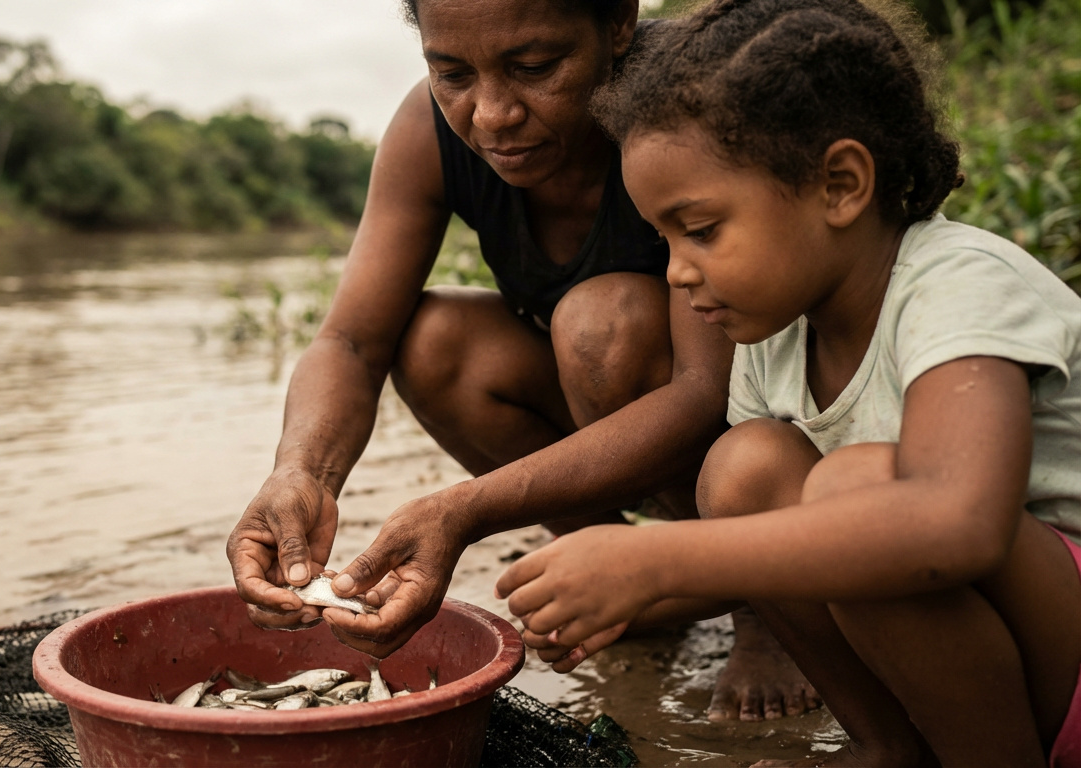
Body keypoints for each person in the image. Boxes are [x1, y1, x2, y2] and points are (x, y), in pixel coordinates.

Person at [496, 0, 1081, 763]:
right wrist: (609, 593)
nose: (676, 271)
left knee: (855, 488)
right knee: (747, 468)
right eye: (662, 238)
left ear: (840, 184)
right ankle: (890, 747)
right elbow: (771, 556)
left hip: (1063, 654)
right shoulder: (777, 334)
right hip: (1003, 657)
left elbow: (954, 527)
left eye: (701, 230)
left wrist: (655, 560)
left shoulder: (958, 286)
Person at [225, 0, 824, 724]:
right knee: (434, 337)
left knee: (602, 324)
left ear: (618, 23)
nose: (491, 115)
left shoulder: (687, 102)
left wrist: (462, 512)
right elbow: (350, 341)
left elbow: (704, 390)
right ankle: (607, 568)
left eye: (535, 68)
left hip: (756, 420)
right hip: (613, 406)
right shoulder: (429, 129)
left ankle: (763, 601)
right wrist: (301, 473)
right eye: (452, 72)